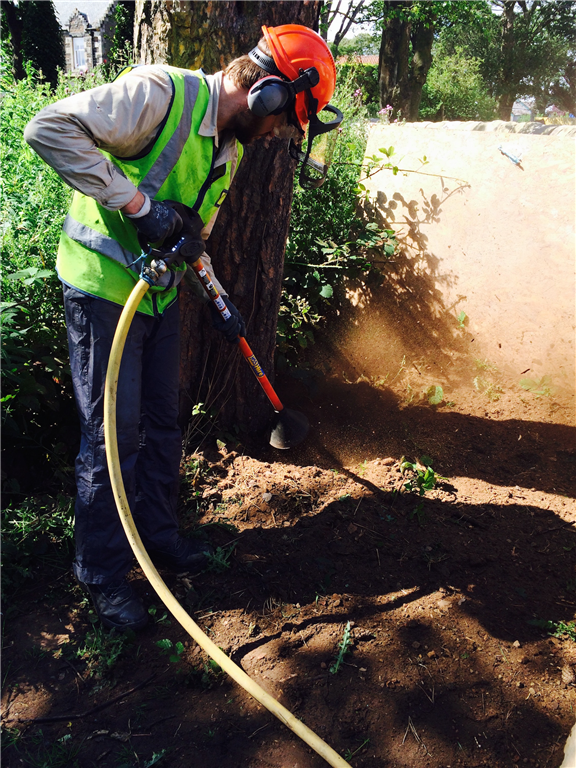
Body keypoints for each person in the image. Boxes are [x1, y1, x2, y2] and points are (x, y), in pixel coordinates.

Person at [24, 24, 341, 632]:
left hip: (158, 298)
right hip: (101, 291)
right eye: (283, 123)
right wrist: (140, 209)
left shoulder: (230, 148)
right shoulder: (159, 94)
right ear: (267, 96)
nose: (277, 136)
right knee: (113, 437)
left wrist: (218, 296)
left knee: (165, 422)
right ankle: (103, 576)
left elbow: (193, 236)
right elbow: (48, 129)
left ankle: (159, 541)